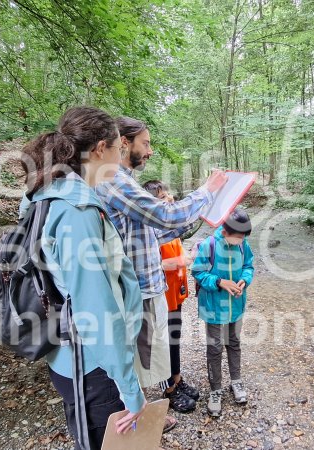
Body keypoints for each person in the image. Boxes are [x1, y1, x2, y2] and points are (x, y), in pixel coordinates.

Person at [19, 106, 145, 449]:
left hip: (65, 354)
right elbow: (97, 309)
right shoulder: (77, 212)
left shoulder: (43, 194)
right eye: (119, 150)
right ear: (101, 149)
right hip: (92, 363)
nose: (121, 159)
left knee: (84, 436)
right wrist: (130, 389)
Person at [95, 117, 227, 430]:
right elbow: (165, 215)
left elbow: (153, 232)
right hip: (132, 290)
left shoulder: (123, 180)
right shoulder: (114, 179)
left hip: (143, 286)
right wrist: (207, 191)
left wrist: (198, 218)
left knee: (142, 358)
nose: (150, 151)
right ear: (124, 143)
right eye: (146, 143)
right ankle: (135, 422)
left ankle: (142, 413)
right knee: (130, 357)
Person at [190, 209, 255, 418]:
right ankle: (215, 389)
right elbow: (198, 272)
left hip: (236, 306)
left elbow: (249, 266)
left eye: (244, 237)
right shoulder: (210, 245)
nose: (241, 241)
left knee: (234, 343)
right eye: (239, 237)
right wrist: (219, 282)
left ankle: (236, 381)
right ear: (225, 232)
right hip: (214, 308)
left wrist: (245, 280)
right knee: (215, 347)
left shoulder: (243, 245)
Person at [143, 180, 199, 413]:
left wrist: (190, 256)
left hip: (176, 295)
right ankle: (168, 390)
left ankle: (176, 377)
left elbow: (180, 250)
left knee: (175, 339)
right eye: (163, 197)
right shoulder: (149, 231)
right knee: (162, 344)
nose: (170, 199)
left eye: (169, 195)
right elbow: (150, 263)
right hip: (160, 298)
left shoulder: (169, 228)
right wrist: (178, 262)